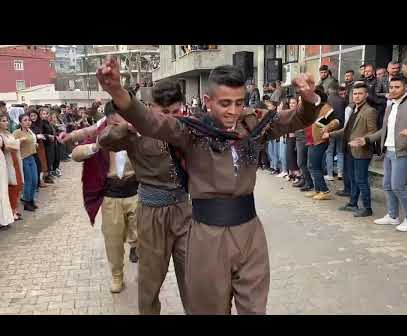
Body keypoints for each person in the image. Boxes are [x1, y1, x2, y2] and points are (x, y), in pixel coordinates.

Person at [97, 57, 322, 315]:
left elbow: (294, 119)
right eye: (225, 103)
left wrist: (309, 98)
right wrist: (117, 91)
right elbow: (152, 122)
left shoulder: (253, 123)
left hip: (250, 235)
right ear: (207, 101)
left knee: (255, 308)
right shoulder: (192, 131)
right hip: (207, 237)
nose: (233, 111)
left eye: (239, 103)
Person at [98, 79, 191, 315]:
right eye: (164, 112)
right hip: (151, 213)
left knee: (193, 278)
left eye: (175, 111)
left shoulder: (185, 127)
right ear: (150, 108)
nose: (170, 118)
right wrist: (125, 127)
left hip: (184, 211)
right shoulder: (136, 131)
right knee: (149, 283)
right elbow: (104, 140)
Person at [72, 102, 139, 294]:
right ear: (110, 119)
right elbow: (76, 154)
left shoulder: (136, 135)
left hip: (136, 192)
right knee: (113, 240)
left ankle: (142, 261)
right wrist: (96, 146)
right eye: (122, 117)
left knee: (145, 236)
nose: (127, 121)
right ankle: (117, 276)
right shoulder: (101, 136)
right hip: (111, 196)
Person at [350, 76, 407, 232]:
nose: (393, 90)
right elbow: (383, 130)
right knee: (387, 185)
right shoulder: (390, 106)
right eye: (391, 87)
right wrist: (365, 140)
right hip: (388, 151)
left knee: (398, 186)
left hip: (403, 152)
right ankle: (393, 216)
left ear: (405, 88)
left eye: (397, 87)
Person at [323, 82, 378, 217]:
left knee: (361, 180)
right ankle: (353, 203)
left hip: (362, 151)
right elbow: (345, 130)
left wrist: (362, 141)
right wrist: (330, 134)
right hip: (349, 150)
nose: (357, 96)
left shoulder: (370, 111)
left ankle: (367, 207)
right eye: (355, 94)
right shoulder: (353, 109)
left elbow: (373, 132)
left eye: (360, 94)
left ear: (366, 95)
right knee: (353, 179)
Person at [304, 86, 340, 200]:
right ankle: (317, 189)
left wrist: (327, 129)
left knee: (314, 166)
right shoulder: (312, 108)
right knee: (312, 166)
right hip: (311, 141)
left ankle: (325, 191)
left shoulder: (325, 107)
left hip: (319, 141)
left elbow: (336, 121)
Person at [0, 111, 24, 221]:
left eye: (7, 120)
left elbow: (13, 145)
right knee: (11, 187)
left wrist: (15, 144)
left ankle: (15, 209)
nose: (6, 122)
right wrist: (17, 143)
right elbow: (6, 147)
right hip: (8, 161)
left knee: (17, 186)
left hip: (15, 160)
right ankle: (12, 211)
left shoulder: (8, 133)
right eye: (3, 121)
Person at [13, 114, 38, 212]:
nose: (28, 122)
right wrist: (20, 140)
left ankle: (31, 200)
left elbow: (32, 141)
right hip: (24, 158)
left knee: (35, 181)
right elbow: (12, 142)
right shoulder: (17, 132)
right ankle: (27, 202)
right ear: (20, 122)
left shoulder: (30, 131)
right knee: (28, 181)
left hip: (32, 157)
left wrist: (34, 144)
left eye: (29, 120)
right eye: (25, 120)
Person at [325, 82, 347, 181]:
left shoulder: (327, 101)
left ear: (329, 89)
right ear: (337, 90)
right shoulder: (343, 100)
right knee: (340, 152)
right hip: (341, 129)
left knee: (329, 152)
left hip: (330, 129)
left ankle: (330, 174)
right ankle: (340, 173)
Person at [29, 108, 51, 186]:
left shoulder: (39, 123)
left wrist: (43, 136)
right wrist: (37, 136)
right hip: (34, 147)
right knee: (37, 163)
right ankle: (39, 181)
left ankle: (41, 180)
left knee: (42, 162)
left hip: (40, 145)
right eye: (31, 116)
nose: (33, 117)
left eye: (35, 115)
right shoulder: (29, 125)